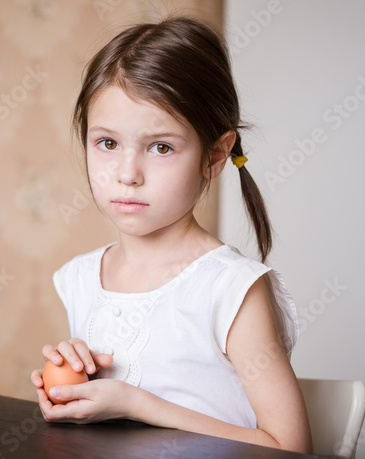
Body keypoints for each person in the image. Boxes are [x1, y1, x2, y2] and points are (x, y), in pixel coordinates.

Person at [31, 16, 312, 454]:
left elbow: (290, 446)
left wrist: (138, 403)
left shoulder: (230, 289)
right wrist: (69, 386)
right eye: (107, 143)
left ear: (215, 156)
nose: (127, 174)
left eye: (160, 147)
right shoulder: (80, 278)